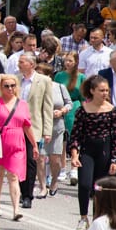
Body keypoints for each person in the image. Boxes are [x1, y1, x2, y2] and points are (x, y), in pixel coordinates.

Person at [68, 75, 116, 230]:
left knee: (100, 188)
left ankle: (97, 222)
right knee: (85, 185)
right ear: (92, 91)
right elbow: (76, 135)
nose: (104, 93)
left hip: (105, 152)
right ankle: (83, 218)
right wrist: (74, 155)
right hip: (87, 151)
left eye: (106, 90)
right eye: (101, 90)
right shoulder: (83, 110)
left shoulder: (112, 111)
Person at [0, 74, 38, 221]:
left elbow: (27, 126)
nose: (10, 88)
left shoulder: (22, 104)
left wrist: (34, 145)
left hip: (17, 143)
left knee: (13, 176)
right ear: (1, 87)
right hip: (0, 142)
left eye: (13, 85)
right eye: (6, 86)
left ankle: (16, 209)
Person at [17, 53, 53, 208]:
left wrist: (47, 130)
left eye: (22, 62)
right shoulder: (15, 79)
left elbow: (47, 106)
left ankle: (28, 195)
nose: (19, 64)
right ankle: (20, 191)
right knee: (18, 161)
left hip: (34, 127)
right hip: (16, 126)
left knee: (31, 161)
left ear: (31, 64)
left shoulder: (44, 81)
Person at [38, 64, 73, 196]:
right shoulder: (36, 88)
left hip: (57, 126)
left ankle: (54, 181)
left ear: (48, 76)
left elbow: (69, 103)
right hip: (40, 126)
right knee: (40, 158)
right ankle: (42, 186)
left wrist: (62, 111)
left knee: (55, 158)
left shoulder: (59, 87)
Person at [55, 51, 85, 185]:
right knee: (62, 139)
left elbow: (83, 97)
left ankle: (74, 168)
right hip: (61, 108)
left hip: (75, 108)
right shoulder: (59, 75)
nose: (67, 63)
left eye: (70, 61)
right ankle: (62, 168)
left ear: (76, 62)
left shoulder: (81, 77)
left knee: (75, 138)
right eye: (66, 60)